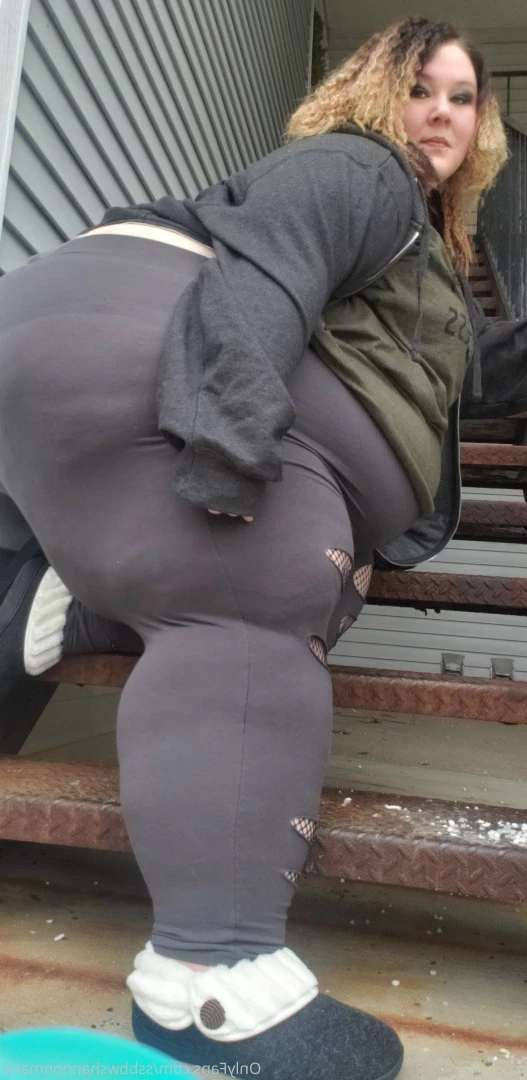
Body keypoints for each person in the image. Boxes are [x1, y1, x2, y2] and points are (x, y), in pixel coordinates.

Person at [0, 15, 523, 1080]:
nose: (438, 113)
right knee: (259, 584)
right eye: (416, 86)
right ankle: (206, 979)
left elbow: (466, 372)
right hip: (143, 342)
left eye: (462, 97)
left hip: (81, 351)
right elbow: (274, 257)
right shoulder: (357, 167)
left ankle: (84, 605)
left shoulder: (420, 250)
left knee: (323, 577)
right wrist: (227, 442)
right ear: (366, 95)